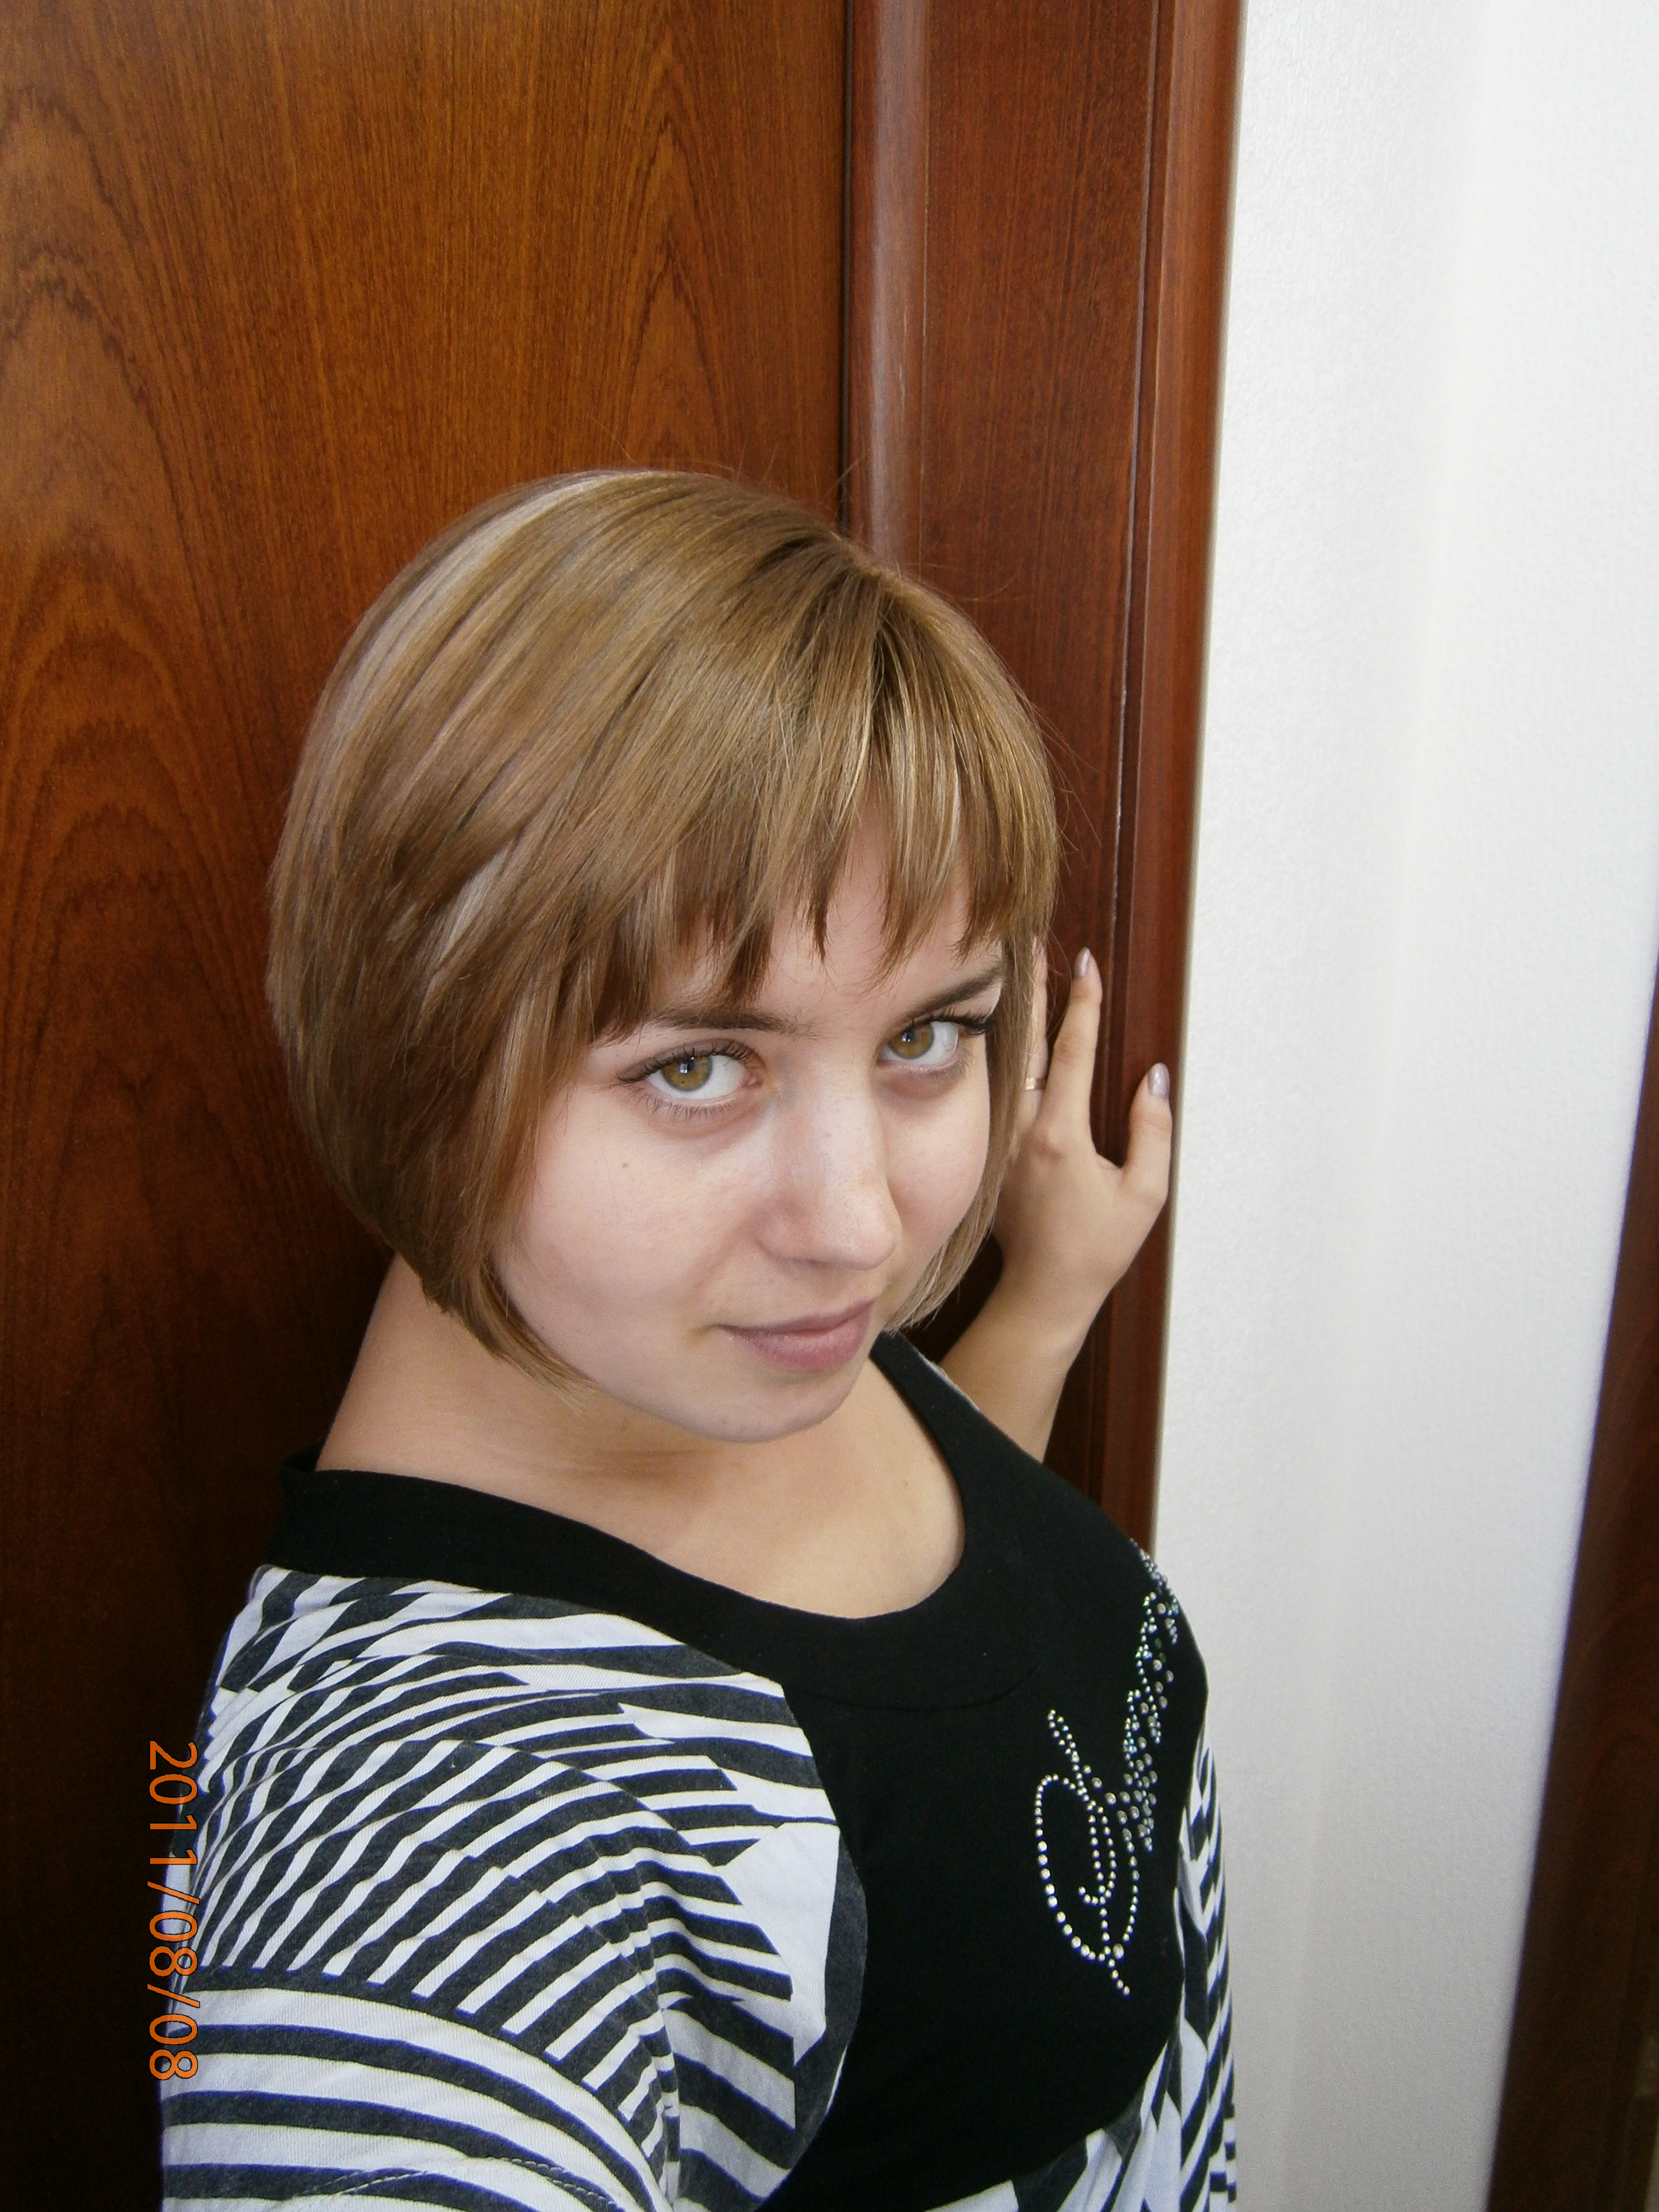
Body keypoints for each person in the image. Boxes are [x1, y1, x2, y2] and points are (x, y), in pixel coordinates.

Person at [156, 471, 1234, 2211]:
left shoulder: (724, 1345)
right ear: (414, 1030)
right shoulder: (431, 1833)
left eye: (927, 1037)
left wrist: (1040, 1305)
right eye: (697, 1066)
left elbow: (922, 1690)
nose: (864, 1227)